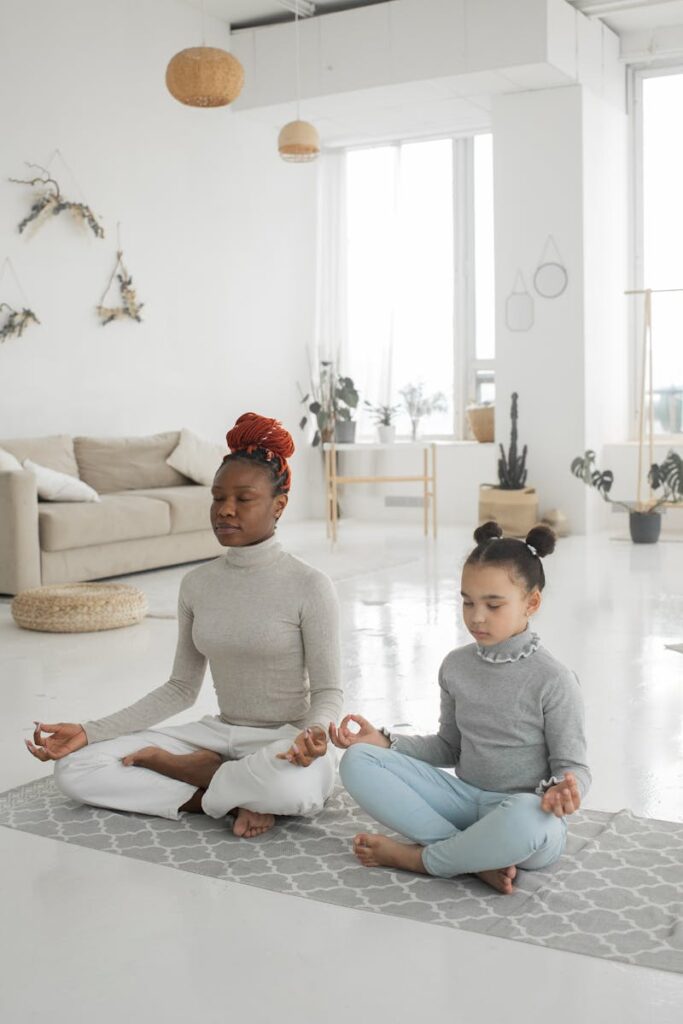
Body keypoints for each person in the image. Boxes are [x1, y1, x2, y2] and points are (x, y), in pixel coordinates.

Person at [26, 413, 342, 839]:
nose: (225, 510)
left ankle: (211, 779)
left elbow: (327, 693)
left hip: (284, 738)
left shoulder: (311, 586)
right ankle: (223, 794)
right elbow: (180, 689)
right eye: (217, 498)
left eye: (243, 499)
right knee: (75, 769)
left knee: (294, 790)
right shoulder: (197, 583)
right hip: (217, 733)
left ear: (278, 506)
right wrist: (88, 731)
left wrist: (313, 736)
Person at [330, 521, 590, 894]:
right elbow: (448, 747)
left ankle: (422, 859)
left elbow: (574, 768)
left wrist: (564, 791)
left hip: (524, 813)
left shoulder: (555, 679)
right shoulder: (456, 665)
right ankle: (472, 856)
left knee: (527, 821)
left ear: (531, 603)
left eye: (493, 604)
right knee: (357, 760)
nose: (476, 616)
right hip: (464, 803)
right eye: (468, 601)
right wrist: (384, 742)